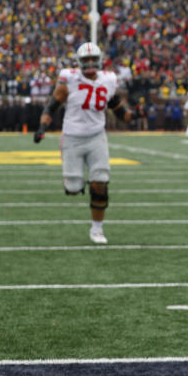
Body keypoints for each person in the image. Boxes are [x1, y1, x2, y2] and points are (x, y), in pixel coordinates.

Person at [34, 42, 135, 244]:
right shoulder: (69, 79)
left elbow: (118, 109)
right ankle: (75, 181)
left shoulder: (108, 80)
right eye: (85, 60)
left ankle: (97, 229)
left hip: (97, 137)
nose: (89, 63)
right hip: (72, 137)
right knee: (73, 187)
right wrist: (42, 128)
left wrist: (134, 114)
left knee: (100, 184)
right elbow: (52, 106)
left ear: (99, 61)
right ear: (79, 62)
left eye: (92, 60)